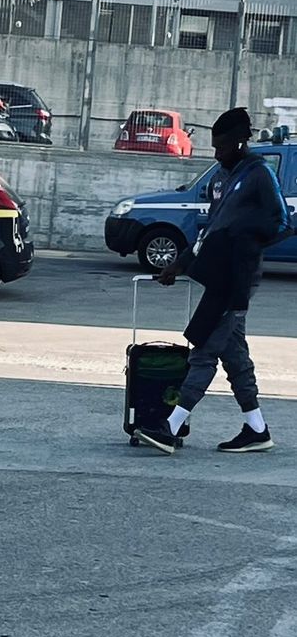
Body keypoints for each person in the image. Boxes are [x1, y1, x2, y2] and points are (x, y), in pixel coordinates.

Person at [135, 106, 290, 456]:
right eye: (214, 145)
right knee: (234, 356)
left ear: (239, 142)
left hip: (237, 278)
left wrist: (244, 242)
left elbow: (281, 222)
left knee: (204, 349)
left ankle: (169, 428)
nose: (216, 153)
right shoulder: (223, 178)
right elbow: (211, 230)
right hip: (218, 276)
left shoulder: (259, 175)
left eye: (221, 146)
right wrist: (180, 263)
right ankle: (256, 428)